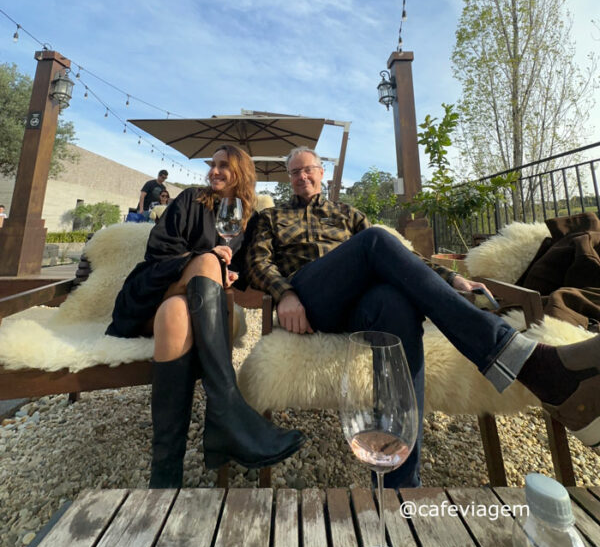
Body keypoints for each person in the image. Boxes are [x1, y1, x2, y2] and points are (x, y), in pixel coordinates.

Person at [245, 146, 600, 488]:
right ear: (289, 178)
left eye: (308, 169)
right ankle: (515, 355)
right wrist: (285, 293)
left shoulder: (346, 214)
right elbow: (258, 262)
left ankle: (400, 484)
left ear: (322, 173)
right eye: (295, 172)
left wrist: (451, 278)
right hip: (310, 300)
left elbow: (401, 256)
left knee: (395, 305)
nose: (302, 176)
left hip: (358, 307)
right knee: (375, 240)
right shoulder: (271, 217)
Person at [107, 145, 304, 488]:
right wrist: (206, 260)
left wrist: (227, 274)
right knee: (208, 262)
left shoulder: (248, 219)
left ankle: (165, 475)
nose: (214, 170)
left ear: (241, 172)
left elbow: (244, 269)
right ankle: (228, 410)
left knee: (176, 312)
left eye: (223, 165)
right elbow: (158, 249)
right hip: (152, 291)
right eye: (212, 164)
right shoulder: (190, 199)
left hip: (181, 308)